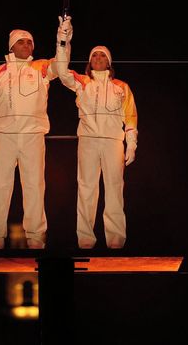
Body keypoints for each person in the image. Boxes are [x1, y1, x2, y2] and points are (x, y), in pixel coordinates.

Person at [0, 18, 72, 249]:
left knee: (34, 186)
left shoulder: (41, 68)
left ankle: (36, 237)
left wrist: (63, 39)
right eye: (21, 42)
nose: (26, 45)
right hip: (4, 136)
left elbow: (61, 65)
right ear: (11, 46)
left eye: (29, 42)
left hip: (32, 136)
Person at [54, 40, 138, 249]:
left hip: (113, 142)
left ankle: (116, 242)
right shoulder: (82, 83)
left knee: (114, 190)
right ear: (89, 62)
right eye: (94, 55)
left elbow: (130, 117)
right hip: (89, 141)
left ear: (109, 62)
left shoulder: (121, 87)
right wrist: (63, 40)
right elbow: (62, 73)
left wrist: (131, 144)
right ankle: (85, 241)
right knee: (86, 189)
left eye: (102, 55)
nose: (98, 58)